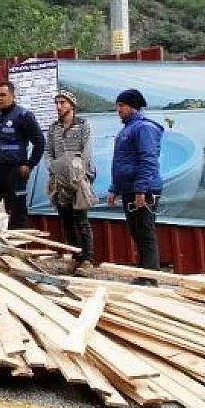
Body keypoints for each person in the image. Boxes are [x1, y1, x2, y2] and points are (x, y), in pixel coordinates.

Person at [107, 88, 164, 286]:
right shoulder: (127, 128)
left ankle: (151, 277)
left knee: (145, 232)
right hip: (129, 189)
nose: (118, 110)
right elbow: (121, 162)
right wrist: (114, 188)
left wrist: (141, 190)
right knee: (137, 232)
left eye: (122, 106)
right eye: (117, 106)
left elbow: (148, 160)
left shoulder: (143, 128)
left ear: (133, 106)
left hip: (144, 190)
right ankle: (144, 273)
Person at [0, 81, 45, 229]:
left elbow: (39, 141)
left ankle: (20, 249)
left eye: (3, 95)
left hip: (14, 172)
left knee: (17, 213)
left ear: (13, 97)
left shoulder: (23, 115)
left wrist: (30, 164)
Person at [46, 89, 96, 270]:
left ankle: (88, 260)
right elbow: (48, 151)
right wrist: (53, 168)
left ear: (71, 105)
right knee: (66, 219)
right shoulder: (53, 128)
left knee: (81, 219)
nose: (59, 107)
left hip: (79, 179)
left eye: (63, 103)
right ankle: (76, 256)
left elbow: (87, 152)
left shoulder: (83, 125)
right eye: (57, 103)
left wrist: (78, 173)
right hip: (60, 180)